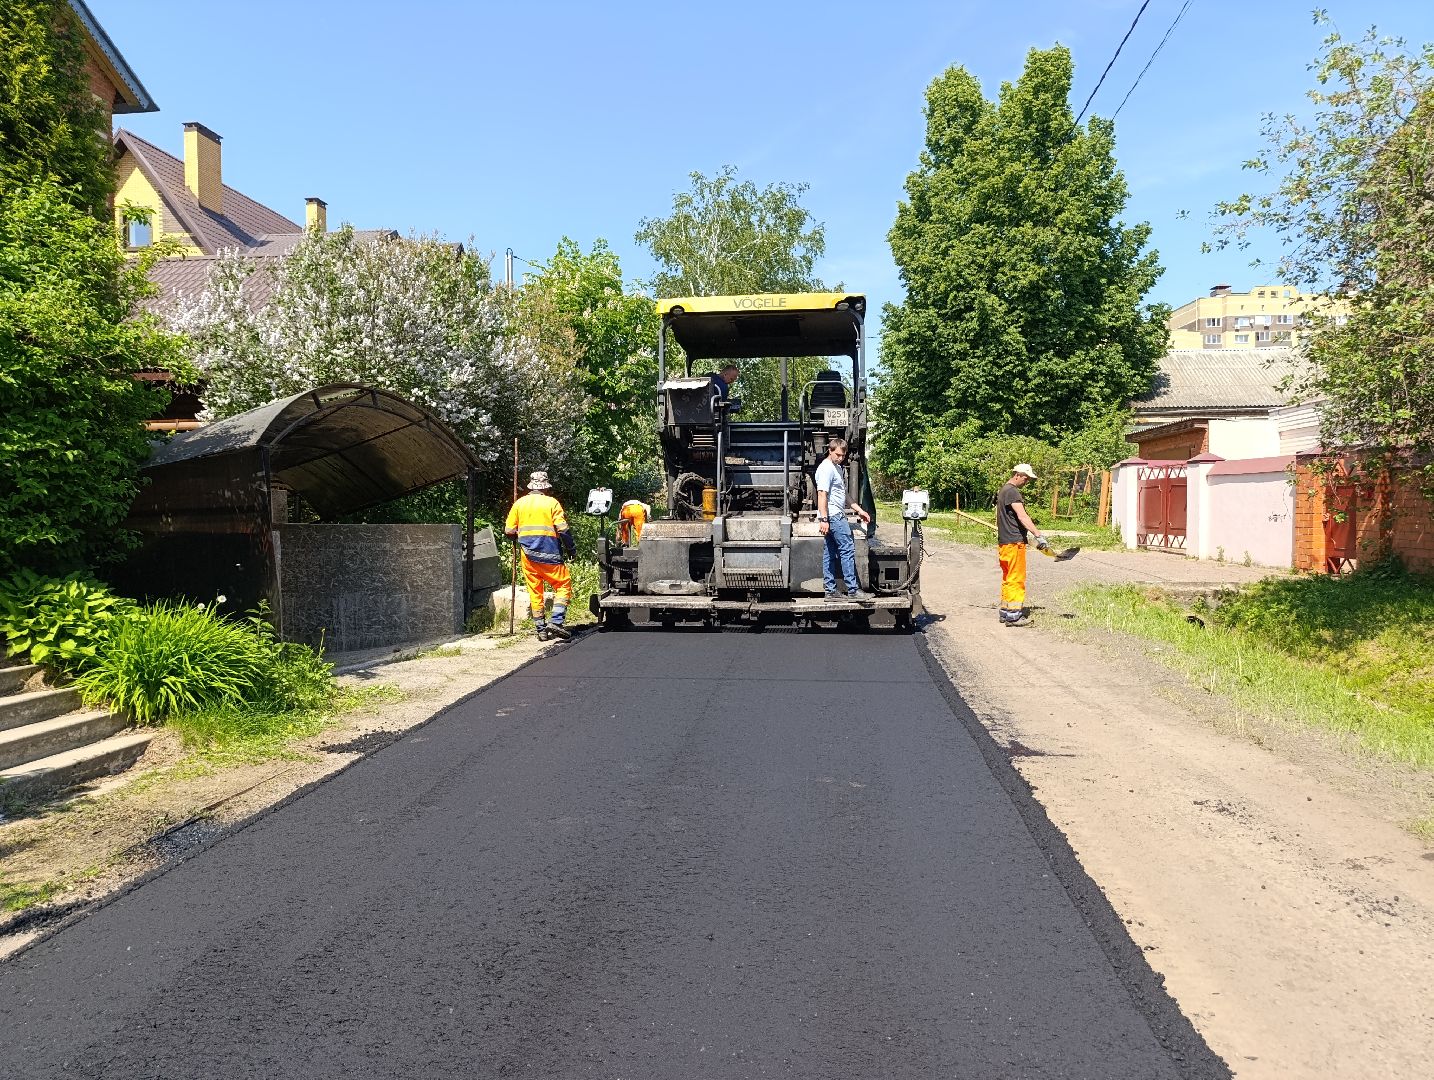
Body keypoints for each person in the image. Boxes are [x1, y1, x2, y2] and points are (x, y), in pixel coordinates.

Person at [505, 470, 578, 641]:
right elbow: (563, 529)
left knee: (535, 590)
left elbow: (509, 531)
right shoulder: (552, 503)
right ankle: (556, 622)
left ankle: (541, 630)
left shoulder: (519, 504)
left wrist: (520, 536)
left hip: (528, 556)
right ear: (546, 487)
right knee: (563, 585)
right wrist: (571, 549)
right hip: (550, 553)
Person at [814, 437, 873, 602]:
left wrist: (859, 510)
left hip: (834, 515)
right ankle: (853, 590)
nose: (840, 458)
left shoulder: (837, 468)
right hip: (833, 516)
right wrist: (824, 519)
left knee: (830, 553)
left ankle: (831, 591)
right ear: (830, 451)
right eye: (837, 454)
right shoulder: (826, 468)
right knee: (847, 550)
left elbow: (844, 495)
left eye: (843, 456)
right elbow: (822, 494)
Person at [996, 464, 1046, 626]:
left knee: (1008, 578)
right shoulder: (1012, 492)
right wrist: (1038, 535)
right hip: (1014, 542)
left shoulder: (1003, 490)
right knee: (1016, 578)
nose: (1027, 481)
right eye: (1026, 478)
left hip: (1004, 542)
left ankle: (1005, 611)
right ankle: (1014, 616)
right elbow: (1022, 516)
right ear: (1018, 474)